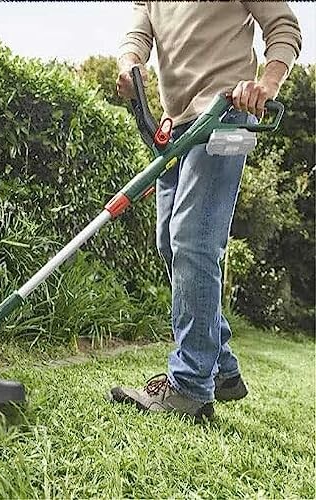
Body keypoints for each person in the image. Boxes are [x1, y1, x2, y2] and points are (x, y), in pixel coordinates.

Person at [108, 1, 302, 421]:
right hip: (175, 125)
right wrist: (130, 66)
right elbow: (139, 32)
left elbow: (284, 28)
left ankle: (190, 385)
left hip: (227, 114)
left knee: (193, 240)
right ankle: (221, 365)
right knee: (170, 243)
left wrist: (266, 85)